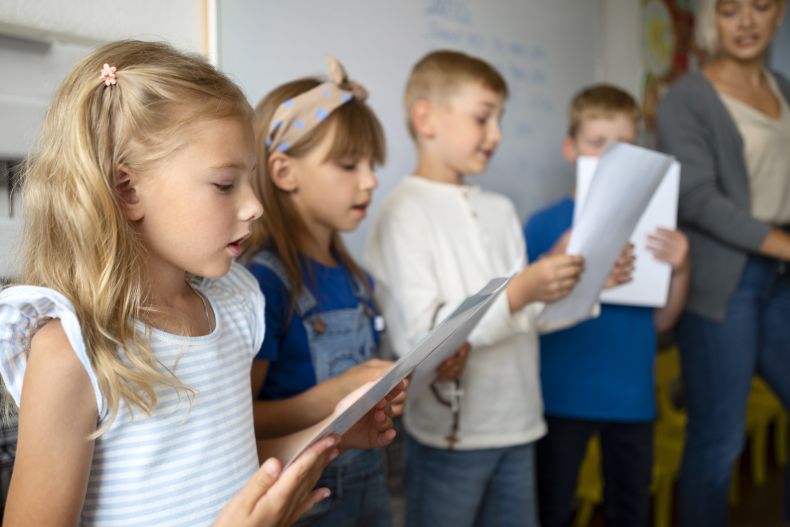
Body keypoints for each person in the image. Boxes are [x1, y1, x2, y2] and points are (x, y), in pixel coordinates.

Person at [0, 40, 401, 527]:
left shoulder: (235, 306)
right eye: (225, 184)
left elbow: (236, 463)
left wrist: (332, 430)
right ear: (128, 190)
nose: (254, 205)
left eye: (250, 181)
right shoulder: (71, 351)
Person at [364, 49, 589, 527]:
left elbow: (527, 318)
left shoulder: (501, 209)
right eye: (484, 117)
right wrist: (521, 292)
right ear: (426, 118)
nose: (498, 134)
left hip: (521, 422)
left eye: (500, 119)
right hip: (452, 438)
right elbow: (422, 342)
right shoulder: (402, 214)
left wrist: (571, 277)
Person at [524, 84, 690, 527]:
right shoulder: (544, 225)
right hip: (560, 396)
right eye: (598, 144)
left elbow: (664, 321)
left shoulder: (655, 227)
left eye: (625, 147)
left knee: (630, 509)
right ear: (571, 149)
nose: (611, 159)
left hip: (631, 398)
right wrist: (557, 264)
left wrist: (680, 270)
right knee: (552, 505)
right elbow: (523, 315)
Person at [243, 57, 398, 527]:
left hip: (371, 488)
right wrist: (338, 393)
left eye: (372, 165)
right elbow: (243, 420)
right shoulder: (264, 283)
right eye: (349, 165)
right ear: (284, 172)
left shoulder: (359, 280)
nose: (370, 180)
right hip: (308, 500)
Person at [656, 0, 790, 524]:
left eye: (760, 7)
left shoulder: (782, 87)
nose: (747, 22)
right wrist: (781, 244)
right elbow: (696, 198)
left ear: (779, 12)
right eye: (730, 10)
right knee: (718, 441)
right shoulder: (686, 97)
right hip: (722, 285)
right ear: (713, 18)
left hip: (780, 280)